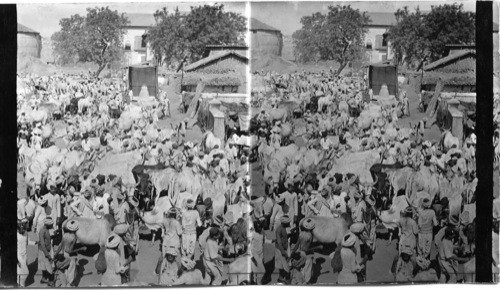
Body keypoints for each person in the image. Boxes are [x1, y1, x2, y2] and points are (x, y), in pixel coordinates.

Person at [52, 220, 85, 287]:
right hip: (71, 256)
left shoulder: (65, 235)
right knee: (71, 271)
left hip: (65, 254)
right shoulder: (74, 237)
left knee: (66, 270)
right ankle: (69, 285)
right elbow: (69, 250)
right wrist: (81, 249)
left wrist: (55, 255)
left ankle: (65, 284)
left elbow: (60, 246)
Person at [291, 217, 319, 284]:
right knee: (308, 268)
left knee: (302, 267)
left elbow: (297, 244)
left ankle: (301, 281)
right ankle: (306, 282)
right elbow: (310, 246)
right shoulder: (310, 235)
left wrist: (293, 252)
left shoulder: (301, 234)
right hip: (308, 253)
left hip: (301, 252)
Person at [38, 217, 55, 286]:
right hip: (44, 251)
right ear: (47, 224)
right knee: (49, 266)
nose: (52, 226)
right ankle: (51, 282)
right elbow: (42, 244)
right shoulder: (42, 231)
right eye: (51, 224)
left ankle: (44, 278)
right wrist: (47, 255)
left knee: (43, 266)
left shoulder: (46, 229)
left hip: (45, 250)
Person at [275, 215, 291, 283]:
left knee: (281, 265)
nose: (289, 224)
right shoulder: (279, 229)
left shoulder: (283, 228)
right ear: (285, 223)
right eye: (288, 222)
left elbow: (283, 238)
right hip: (280, 249)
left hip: (283, 248)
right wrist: (283, 253)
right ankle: (287, 279)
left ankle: (281, 278)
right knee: (286, 266)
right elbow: (279, 242)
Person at [17, 218, 29, 287]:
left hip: (25, 255)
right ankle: (21, 285)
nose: (23, 230)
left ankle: (20, 285)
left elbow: (27, 242)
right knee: (26, 273)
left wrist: (36, 242)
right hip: (19, 255)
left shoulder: (26, 233)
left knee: (20, 272)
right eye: (21, 229)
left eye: (24, 229)